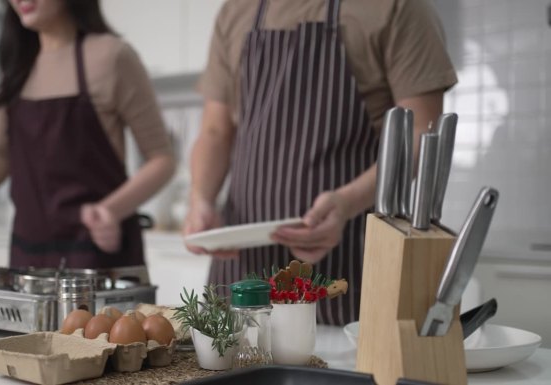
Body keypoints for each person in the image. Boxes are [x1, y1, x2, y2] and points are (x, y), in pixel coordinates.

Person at [184, 0, 457, 325]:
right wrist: (200, 197)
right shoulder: (237, 10)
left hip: (347, 262)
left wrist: (346, 202)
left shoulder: (396, 7)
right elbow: (215, 130)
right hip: (243, 271)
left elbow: (421, 132)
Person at [0, 0, 175, 269]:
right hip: (29, 261)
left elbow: (162, 158)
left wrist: (110, 210)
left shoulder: (112, 56)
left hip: (98, 256)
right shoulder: (16, 71)